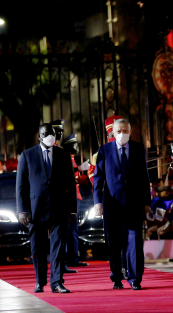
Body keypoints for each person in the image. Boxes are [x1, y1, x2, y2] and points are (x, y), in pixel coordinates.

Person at [16, 123, 77, 293]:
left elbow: (71, 185)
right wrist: (22, 210)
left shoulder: (63, 155)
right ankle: (40, 281)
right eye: (47, 133)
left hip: (59, 209)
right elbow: (21, 186)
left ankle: (57, 282)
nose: (51, 136)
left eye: (53, 133)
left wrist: (72, 210)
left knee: (58, 247)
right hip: (36, 210)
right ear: (39, 136)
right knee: (38, 248)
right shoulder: (27, 156)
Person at [93, 118, 151, 290]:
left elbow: (144, 177)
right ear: (112, 133)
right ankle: (116, 277)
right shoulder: (104, 150)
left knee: (134, 242)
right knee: (114, 243)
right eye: (119, 131)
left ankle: (135, 278)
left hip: (134, 203)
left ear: (130, 131)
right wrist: (97, 202)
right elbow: (98, 178)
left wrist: (146, 202)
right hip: (112, 204)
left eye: (125, 130)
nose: (122, 134)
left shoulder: (138, 148)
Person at [61, 132, 91, 268]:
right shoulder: (64, 158)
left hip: (75, 197)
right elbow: (67, 175)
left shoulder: (71, 158)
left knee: (73, 230)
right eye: (74, 145)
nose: (77, 148)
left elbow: (75, 180)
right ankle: (68, 259)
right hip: (68, 198)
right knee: (68, 229)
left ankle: (73, 258)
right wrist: (79, 169)